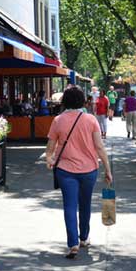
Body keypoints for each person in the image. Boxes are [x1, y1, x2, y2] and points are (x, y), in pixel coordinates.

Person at [45, 86, 113, 259]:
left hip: (65, 170)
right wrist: (107, 168)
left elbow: (50, 148)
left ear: (64, 101)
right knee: (85, 204)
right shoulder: (91, 120)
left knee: (69, 205)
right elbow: (99, 146)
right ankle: (84, 237)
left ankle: (73, 243)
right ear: (82, 101)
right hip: (89, 169)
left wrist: (49, 160)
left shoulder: (58, 120)